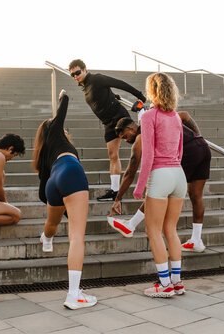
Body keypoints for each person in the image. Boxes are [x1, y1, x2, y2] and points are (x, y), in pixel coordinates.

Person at [107, 113, 211, 253]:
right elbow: (185, 116)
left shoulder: (141, 136)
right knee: (196, 196)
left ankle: (131, 225)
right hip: (203, 148)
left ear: (131, 128)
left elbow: (130, 172)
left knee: (161, 188)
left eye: (125, 136)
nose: (126, 140)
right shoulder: (163, 116)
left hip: (187, 151)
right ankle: (196, 240)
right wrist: (197, 136)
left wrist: (118, 198)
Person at [33, 89, 97, 310]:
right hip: (71, 171)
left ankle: (47, 239)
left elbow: (43, 194)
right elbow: (63, 109)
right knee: (77, 236)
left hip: (54, 182)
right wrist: (63, 95)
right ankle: (73, 295)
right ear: (55, 128)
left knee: (52, 223)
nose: (65, 130)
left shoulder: (43, 154)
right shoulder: (56, 132)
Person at [133, 72, 187, 298]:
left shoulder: (148, 117)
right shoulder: (175, 116)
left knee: (153, 230)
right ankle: (177, 282)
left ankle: (164, 285)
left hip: (160, 174)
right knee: (170, 229)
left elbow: (148, 156)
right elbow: (180, 151)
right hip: (178, 175)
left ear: (152, 91)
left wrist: (139, 187)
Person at [68, 59, 146, 202]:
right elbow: (101, 97)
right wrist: (112, 96)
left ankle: (147, 177)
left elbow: (119, 84)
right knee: (112, 155)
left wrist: (140, 96)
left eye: (78, 72)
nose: (75, 76)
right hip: (107, 124)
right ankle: (115, 190)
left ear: (85, 69)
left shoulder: (97, 79)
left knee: (139, 145)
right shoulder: (85, 87)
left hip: (119, 118)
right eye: (72, 75)